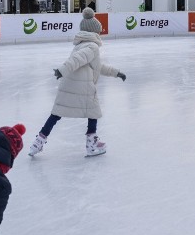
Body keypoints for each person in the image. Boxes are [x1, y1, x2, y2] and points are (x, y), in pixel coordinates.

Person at [28, 8, 126, 157]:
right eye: (99, 32)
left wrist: (116, 72)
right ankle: (91, 145)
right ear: (94, 32)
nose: (100, 34)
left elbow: (98, 67)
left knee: (56, 114)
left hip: (69, 84)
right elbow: (77, 60)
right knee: (93, 112)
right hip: (83, 86)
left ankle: (38, 142)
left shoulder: (80, 45)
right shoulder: (92, 47)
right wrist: (62, 69)